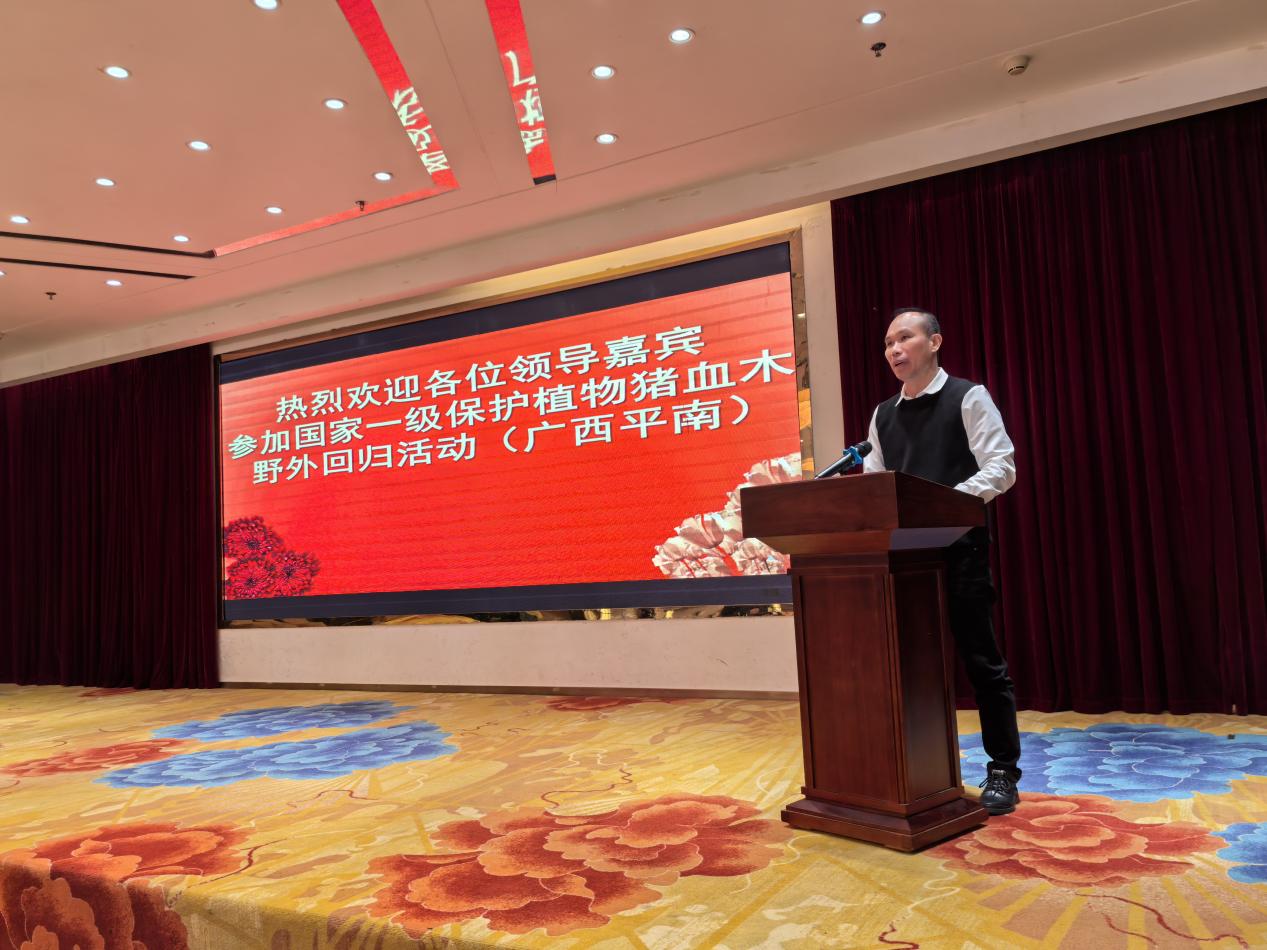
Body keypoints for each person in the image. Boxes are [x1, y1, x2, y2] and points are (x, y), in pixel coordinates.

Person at [862, 307, 1021, 815]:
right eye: (888, 342)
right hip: (905, 561)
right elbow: (875, 485)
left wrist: (944, 504)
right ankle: (916, 770)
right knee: (908, 667)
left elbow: (1001, 466)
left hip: (961, 551)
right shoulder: (883, 415)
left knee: (981, 661)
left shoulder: (967, 397)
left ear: (934, 342)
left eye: (904, 338)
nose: (893, 349)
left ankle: (1003, 769)